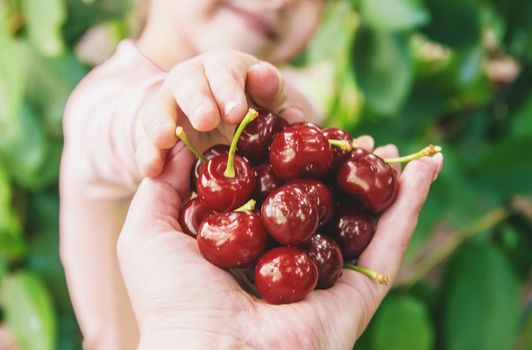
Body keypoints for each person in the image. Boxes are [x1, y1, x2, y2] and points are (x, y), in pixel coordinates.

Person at [60, 0, 444, 349]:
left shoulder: (281, 107)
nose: (280, 2)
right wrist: (169, 111)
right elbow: (114, 130)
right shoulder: (101, 99)